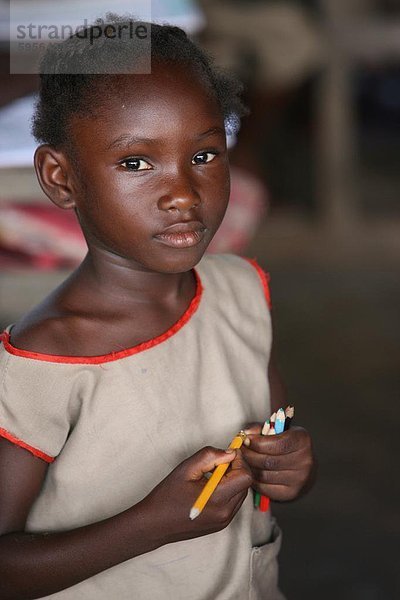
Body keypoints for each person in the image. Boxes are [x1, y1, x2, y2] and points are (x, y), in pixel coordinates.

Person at [0, 16, 316, 600]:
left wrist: (290, 465)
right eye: (136, 163)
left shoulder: (240, 292)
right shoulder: (44, 360)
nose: (181, 193)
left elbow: (274, 430)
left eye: (203, 155)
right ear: (60, 176)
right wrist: (151, 524)